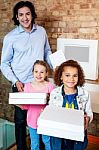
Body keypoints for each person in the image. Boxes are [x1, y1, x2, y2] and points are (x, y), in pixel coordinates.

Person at [1, 1, 52, 150]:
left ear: (32, 15)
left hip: (40, 85)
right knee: (21, 121)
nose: (25, 18)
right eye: (21, 15)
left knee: (42, 119)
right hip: (22, 85)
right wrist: (15, 81)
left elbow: (47, 52)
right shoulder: (11, 37)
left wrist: (58, 68)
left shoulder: (41, 32)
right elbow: (4, 63)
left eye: (27, 14)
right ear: (16, 17)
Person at [49, 59, 93, 150]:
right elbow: (51, 112)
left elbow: (89, 112)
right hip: (58, 135)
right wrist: (46, 114)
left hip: (77, 135)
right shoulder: (54, 93)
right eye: (67, 75)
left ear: (79, 77)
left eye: (75, 76)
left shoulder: (85, 94)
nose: (71, 79)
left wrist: (87, 119)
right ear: (61, 76)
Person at [17, 60, 55, 150]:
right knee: (35, 143)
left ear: (46, 73)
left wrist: (47, 107)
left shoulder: (50, 86)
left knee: (47, 141)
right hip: (32, 120)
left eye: (42, 72)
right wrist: (19, 104)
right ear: (32, 72)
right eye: (36, 71)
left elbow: (54, 105)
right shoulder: (27, 86)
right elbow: (26, 106)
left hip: (46, 120)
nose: (39, 74)